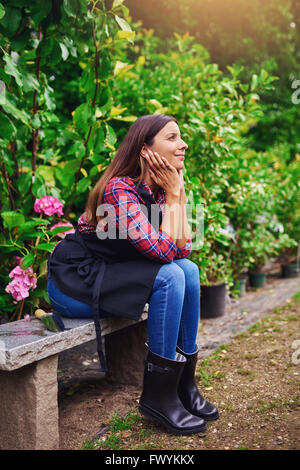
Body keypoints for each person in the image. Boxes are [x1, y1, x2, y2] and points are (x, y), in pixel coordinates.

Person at [47, 114, 219, 436]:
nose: (183, 145)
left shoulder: (156, 191)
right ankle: (158, 396)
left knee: (189, 272)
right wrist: (174, 195)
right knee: (170, 275)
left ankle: (182, 385)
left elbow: (183, 250)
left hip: (114, 275)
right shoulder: (119, 190)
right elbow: (165, 254)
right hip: (76, 284)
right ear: (145, 149)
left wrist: (177, 194)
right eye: (172, 138)